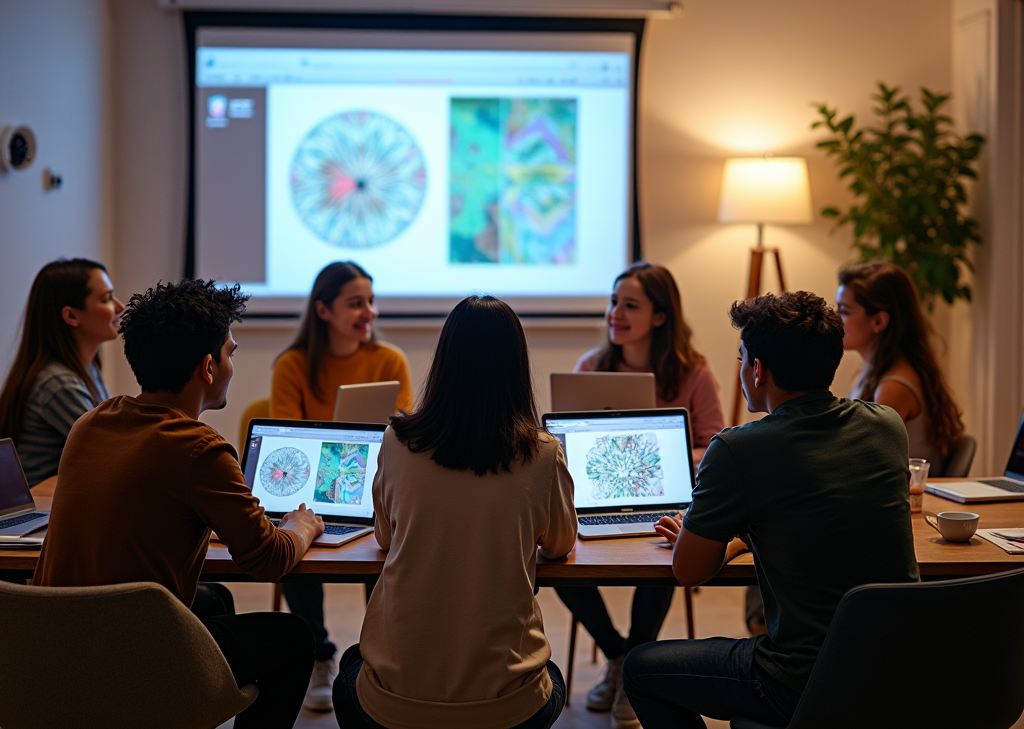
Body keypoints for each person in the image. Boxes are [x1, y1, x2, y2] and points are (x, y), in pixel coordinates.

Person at [33, 278, 326, 729]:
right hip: (131, 657)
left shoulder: (91, 423)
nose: (231, 364)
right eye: (230, 353)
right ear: (208, 367)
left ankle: (193, 705)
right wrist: (301, 525)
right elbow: (268, 559)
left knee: (214, 599)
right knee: (293, 637)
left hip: (52, 646)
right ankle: (178, 698)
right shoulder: (199, 449)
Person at [620, 291, 920, 728]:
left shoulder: (737, 449)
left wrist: (711, 538)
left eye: (742, 358)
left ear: (757, 370)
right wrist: (745, 538)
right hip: (898, 673)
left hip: (800, 679)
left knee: (641, 668)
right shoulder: (887, 425)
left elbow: (688, 572)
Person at [332, 295, 578, 729]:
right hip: (506, 710)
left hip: (393, 709)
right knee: (550, 678)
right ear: (515, 368)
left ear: (443, 362)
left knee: (352, 665)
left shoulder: (396, 441)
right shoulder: (542, 453)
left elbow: (386, 539)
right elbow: (559, 545)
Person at [556, 262, 725, 728]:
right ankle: (621, 657)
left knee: (665, 553)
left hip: (665, 495)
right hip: (592, 499)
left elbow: (716, 442)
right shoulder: (590, 367)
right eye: (613, 302)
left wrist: (661, 446)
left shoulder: (694, 371)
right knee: (553, 557)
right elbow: (565, 448)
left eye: (630, 305)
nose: (616, 313)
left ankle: (630, 673)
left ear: (660, 316)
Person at [270, 260, 413, 711]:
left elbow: (404, 438)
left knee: (390, 548)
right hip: (307, 493)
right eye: (356, 303)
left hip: (376, 489)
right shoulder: (292, 365)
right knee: (288, 542)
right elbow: (285, 442)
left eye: (371, 301)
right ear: (323, 310)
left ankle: (378, 658)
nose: (368, 311)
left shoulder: (390, 360)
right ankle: (319, 655)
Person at [0, 258, 123, 486]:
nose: (120, 307)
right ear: (71, 316)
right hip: (43, 514)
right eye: (107, 299)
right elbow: (115, 453)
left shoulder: (87, 371)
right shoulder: (58, 383)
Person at [837, 261, 965, 475]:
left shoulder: (893, 387)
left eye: (844, 311)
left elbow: (866, 464)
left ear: (879, 321)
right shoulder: (875, 372)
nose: (835, 318)